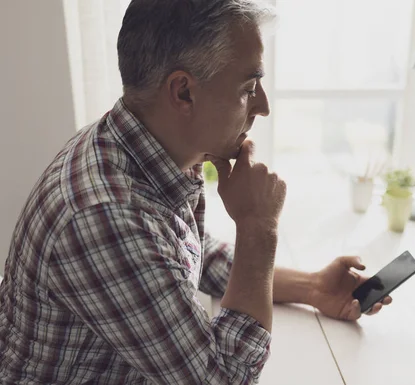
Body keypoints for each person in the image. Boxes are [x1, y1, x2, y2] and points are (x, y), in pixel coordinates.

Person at [0, 0, 392, 383]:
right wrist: (259, 228)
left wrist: (311, 286)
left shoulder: (143, 148)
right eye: (249, 86)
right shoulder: (104, 215)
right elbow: (222, 378)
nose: (264, 106)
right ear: (183, 92)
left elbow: (186, 254)